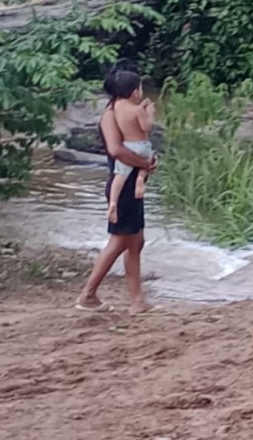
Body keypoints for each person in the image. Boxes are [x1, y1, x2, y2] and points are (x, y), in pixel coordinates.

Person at [75, 60, 158, 315]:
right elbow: (115, 150)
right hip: (122, 184)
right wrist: (145, 162)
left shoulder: (121, 108)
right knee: (121, 240)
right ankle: (88, 294)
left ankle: (137, 301)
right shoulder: (110, 115)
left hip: (130, 182)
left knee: (136, 240)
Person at [105, 70, 156, 224]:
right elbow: (146, 127)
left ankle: (113, 203)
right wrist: (150, 113)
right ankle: (140, 180)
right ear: (135, 92)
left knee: (119, 176)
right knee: (148, 160)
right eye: (141, 89)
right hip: (141, 146)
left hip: (127, 146)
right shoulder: (138, 110)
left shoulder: (117, 107)